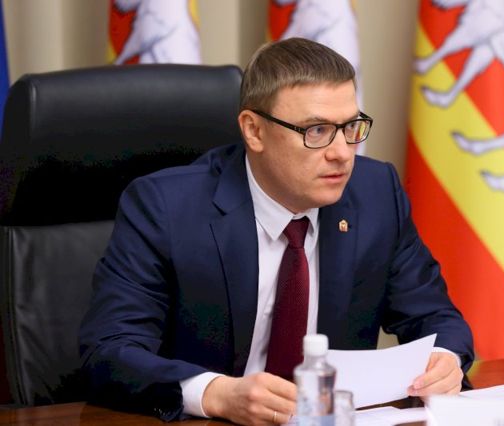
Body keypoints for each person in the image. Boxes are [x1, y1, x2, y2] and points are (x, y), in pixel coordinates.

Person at [79, 37, 474, 424]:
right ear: (254, 131)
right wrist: (216, 393)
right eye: (316, 130)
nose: (341, 152)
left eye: (351, 126)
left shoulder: (376, 194)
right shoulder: (165, 208)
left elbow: (435, 316)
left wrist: (445, 361)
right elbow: (110, 350)